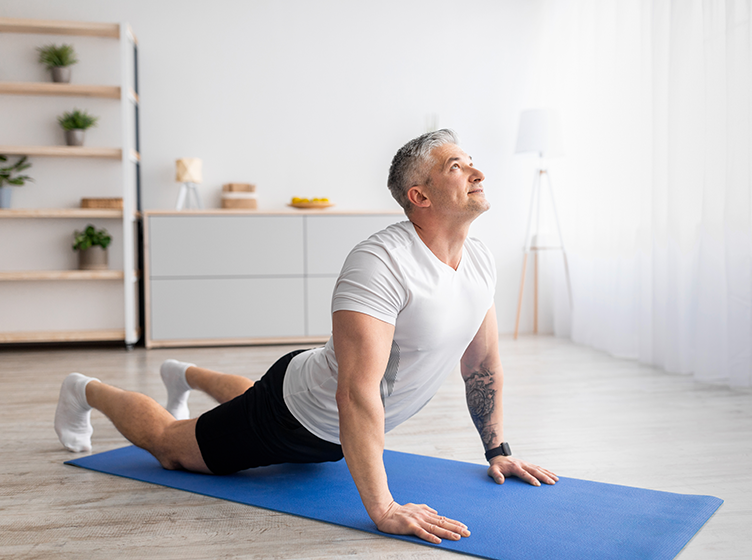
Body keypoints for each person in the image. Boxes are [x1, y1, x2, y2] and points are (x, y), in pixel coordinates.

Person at [54, 129, 559, 544]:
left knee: (251, 402)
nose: (478, 172)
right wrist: (382, 509)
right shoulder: (380, 262)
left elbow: (482, 363)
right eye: (456, 166)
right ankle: (84, 390)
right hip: (296, 416)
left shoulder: (481, 259)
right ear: (419, 195)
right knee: (169, 446)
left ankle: (183, 374)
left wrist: (498, 449)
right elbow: (356, 393)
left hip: (322, 409)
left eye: (472, 161)